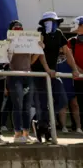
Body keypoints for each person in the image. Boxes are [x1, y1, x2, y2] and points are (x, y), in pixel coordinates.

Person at [32, 12, 79, 142]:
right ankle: (43, 127)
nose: (54, 24)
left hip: (52, 74)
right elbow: (39, 53)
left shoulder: (58, 34)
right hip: (40, 73)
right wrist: (47, 69)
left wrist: (74, 69)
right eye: (52, 21)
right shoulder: (40, 33)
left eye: (56, 21)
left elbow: (67, 52)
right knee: (42, 103)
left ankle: (41, 122)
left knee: (62, 100)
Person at [6, 20, 37, 143]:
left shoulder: (29, 41)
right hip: (14, 75)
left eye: (20, 27)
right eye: (15, 28)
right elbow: (5, 59)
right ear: (11, 30)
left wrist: (39, 46)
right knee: (17, 105)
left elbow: (35, 56)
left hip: (28, 75)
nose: (18, 29)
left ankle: (26, 133)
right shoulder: (6, 42)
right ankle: (17, 134)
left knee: (27, 106)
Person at [68, 16, 83, 132]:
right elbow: (70, 58)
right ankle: (79, 127)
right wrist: (78, 70)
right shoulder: (71, 41)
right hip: (78, 79)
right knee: (79, 104)